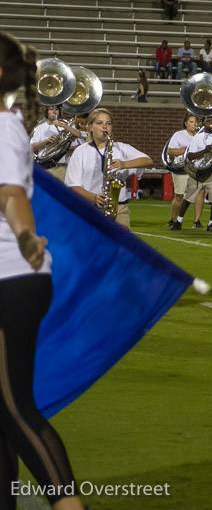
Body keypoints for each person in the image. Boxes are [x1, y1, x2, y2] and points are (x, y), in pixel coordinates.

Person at [0, 33, 85, 509]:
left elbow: (10, 194)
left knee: (16, 410)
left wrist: (27, 237)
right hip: (13, 277)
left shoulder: (2, 125)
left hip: (11, 276)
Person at [65, 108, 153, 229]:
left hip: (119, 208)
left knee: (122, 246)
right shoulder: (80, 151)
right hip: (90, 208)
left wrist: (124, 164)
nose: (104, 126)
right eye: (99, 123)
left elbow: (148, 160)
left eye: (108, 123)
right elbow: (73, 186)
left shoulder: (121, 148)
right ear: (90, 127)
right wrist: (94, 198)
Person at [184, 119, 212, 232]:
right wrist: (204, 151)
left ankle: (211, 224)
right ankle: (178, 221)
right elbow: (190, 156)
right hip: (199, 172)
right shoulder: (197, 137)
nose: (211, 124)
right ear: (203, 124)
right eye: (208, 122)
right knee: (188, 198)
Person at [165, 114, 200, 230]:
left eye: (195, 122)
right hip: (181, 169)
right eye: (191, 121)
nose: (194, 124)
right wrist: (185, 150)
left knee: (199, 195)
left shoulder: (200, 136)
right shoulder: (179, 135)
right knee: (179, 196)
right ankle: (173, 219)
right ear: (186, 123)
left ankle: (197, 221)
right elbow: (170, 151)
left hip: (195, 169)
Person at [29, 106, 81, 181]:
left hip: (63, 166)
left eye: (56, 109)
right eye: (51, 109)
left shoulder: (65, 126)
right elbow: (32, 147)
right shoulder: (40, 128)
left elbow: (78, 135)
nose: (54, 111)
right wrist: (46, 141)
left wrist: (60, 145)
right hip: (46, 166)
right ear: (47, 111)